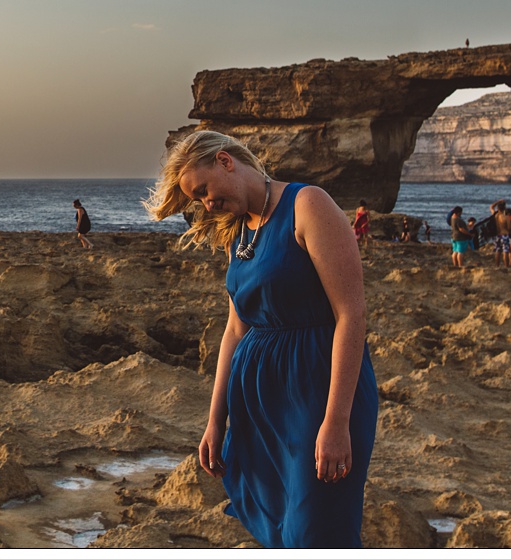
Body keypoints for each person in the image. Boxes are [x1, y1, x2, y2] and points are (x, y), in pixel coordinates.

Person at [144, 130, 377, 548]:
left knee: (319, 532)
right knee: (284, 532)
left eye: (204, 190)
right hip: (263, 410)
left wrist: (337, 420)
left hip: (318, 396)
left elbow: (351, 314)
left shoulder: (308, 205)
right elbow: (236, 329)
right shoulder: (239, 232)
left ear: (225, 161)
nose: (206, 203)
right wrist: (216, 420)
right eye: (197, 200)